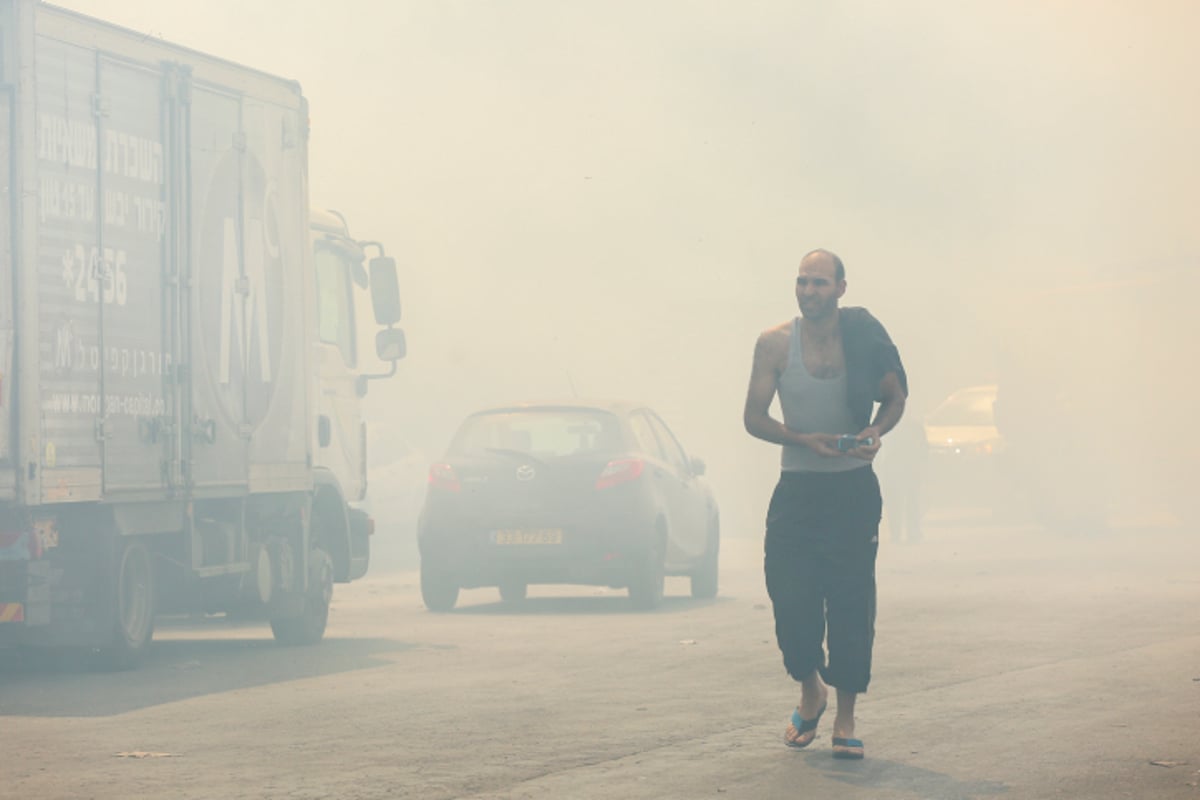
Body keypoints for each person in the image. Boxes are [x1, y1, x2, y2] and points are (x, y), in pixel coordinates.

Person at [743, 249, 907, 760]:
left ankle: (847, 716)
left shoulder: (861, 340)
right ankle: (810, 687)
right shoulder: (773, 344)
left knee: (851, 602)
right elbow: (753, 417)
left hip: (853, 491)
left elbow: (895, 396)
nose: (809, 291)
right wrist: (802, 438)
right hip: (797, 491)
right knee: (790, 598)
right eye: (802, 282)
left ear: (840, 288)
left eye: (819, 283)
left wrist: (875, 431)